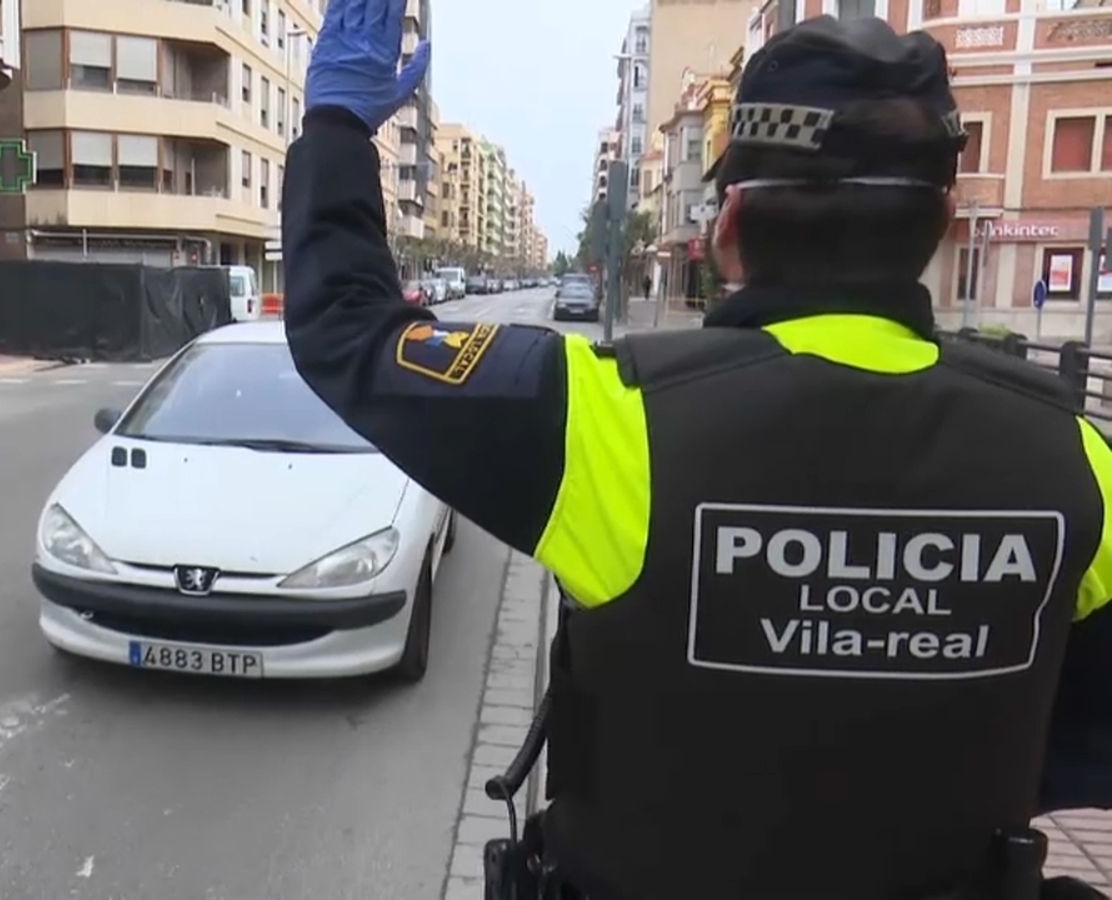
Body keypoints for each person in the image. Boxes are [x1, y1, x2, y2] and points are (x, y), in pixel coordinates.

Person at [283, 3, 1112, 899]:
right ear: (941, 216)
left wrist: (336, 127)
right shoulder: (1075, 461)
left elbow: (348, 331)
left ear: (727, 225)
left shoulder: (610, 423)